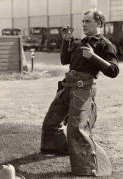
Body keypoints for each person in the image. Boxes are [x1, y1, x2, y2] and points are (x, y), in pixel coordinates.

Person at [40, 10, 119, 176]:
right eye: (83, 21)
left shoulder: (104, 44)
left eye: (88, 21)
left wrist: (93, 57)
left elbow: (113, 71)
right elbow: (64, 60)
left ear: (99, 23)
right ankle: (57, 149)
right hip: (67, 86)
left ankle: (85, 168)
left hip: (83, 90)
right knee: (51, 122)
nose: (83, 24)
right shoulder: (80, 42)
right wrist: (66, 41)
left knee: (76, 128)